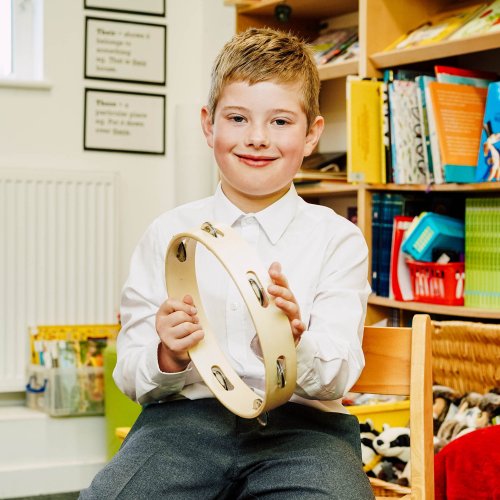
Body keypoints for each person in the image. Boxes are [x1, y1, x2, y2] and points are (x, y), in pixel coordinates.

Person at [80, 27, 373, 500]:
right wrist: (167, 355)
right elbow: (131, 375)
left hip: (305, 431)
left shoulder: (337, 238)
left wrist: (295, 341)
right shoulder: (167, 233)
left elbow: (339, 375)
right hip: (184, 422)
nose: (257, 138)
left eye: (280, 122)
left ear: (312, 134)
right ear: (208, 124)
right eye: (237, 118)